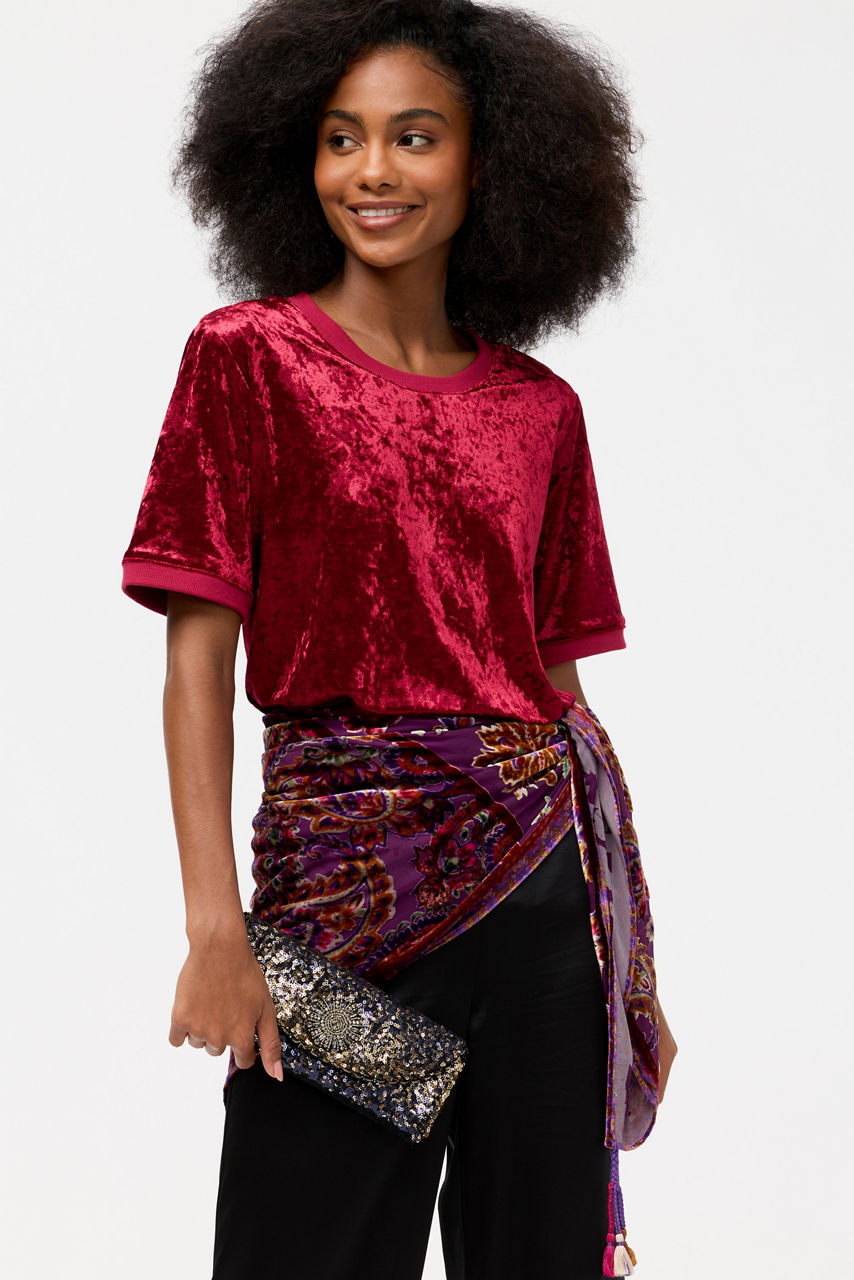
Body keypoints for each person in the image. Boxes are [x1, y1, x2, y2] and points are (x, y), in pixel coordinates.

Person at [120, 2, 678, 1276]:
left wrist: (626, 965)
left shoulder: (538, 410)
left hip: (545, 911)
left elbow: (555, 685)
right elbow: (197, 660)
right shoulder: (248, 359)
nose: (372, 171)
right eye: (340, 138)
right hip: (340, 912)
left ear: (487, 163)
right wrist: (215, 926)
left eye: (414, 137)